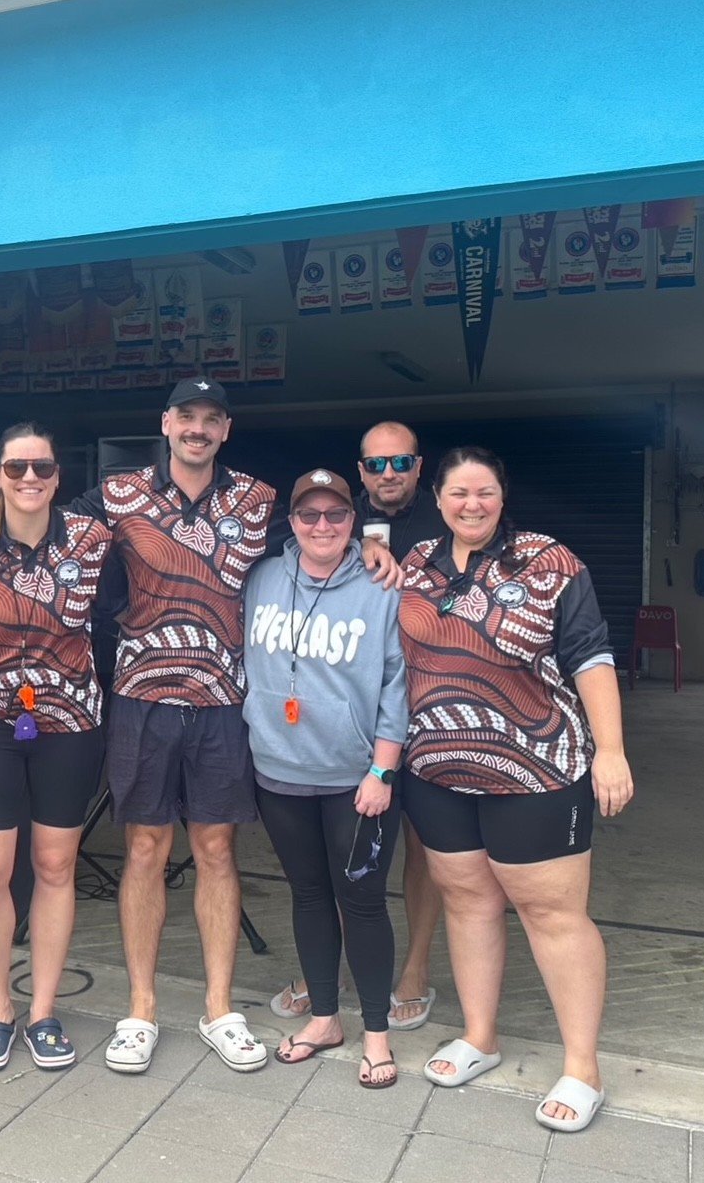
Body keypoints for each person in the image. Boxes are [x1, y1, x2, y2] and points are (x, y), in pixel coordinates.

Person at [0, 377, 274, 1074]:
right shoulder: (115, 496)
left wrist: (376, 546)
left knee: (218, 851)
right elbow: (34, 510)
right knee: (143, 851)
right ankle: (140, 1010)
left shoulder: (257, 500)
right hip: (139, 694)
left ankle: (220, 1008)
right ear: (165, 423)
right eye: (185, 416)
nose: (197, 429)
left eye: (210, 419)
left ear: (226, 428)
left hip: (223, 698)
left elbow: (321, 543)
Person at [398, 446, 634, 1131]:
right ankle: (479, 1035)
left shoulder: (549, 563)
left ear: (503, 497)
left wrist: (610, 751)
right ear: (436, 497)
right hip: (438, 771)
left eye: (486, 492)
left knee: (551, 914)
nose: (472, 504)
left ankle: (583, 1067)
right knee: (467, 900)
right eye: (458, 493)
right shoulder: (413, 566)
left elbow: (590, 655)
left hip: (538, 770)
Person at [0, 423, 112, 1070]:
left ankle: (42, 1010)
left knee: (54, 866)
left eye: (40, 467)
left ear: (57, 475)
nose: (29, 480)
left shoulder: (95, 540)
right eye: (15, 470)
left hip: (71, 721)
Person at [269, 419, 445, 1031]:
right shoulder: (336, 520)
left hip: (436, 714)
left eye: (401, 462)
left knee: (427, 851)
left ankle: (415, 970)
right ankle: (326, 977)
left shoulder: (448, 520)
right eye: (377, 464)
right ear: (362, 469)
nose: (389, 474)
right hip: (360, 721)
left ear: (420, 466)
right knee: (335, 858)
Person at [244, 469, 407, 1088]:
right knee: (308, 896)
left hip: (355, 781)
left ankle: (377, 1034)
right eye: (309, 515)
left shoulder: (381, 585)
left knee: (361, 903)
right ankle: (324, 1017)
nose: (321, 526)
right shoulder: (261, 578)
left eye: (335, 516)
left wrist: (382, 769)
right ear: (292, 522)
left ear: (352, 522)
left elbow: (398, 682)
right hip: (278, 774)